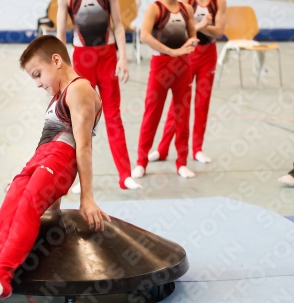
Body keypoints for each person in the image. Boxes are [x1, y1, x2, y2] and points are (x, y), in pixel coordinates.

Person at [0, 35, 111, 303]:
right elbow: (46, 141)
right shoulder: (58, 95)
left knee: (27, 206)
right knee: (10, 206)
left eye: (38, 74)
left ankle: (2, 276)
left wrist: (87, 197)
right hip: (42, 158)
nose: (38, 83)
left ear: (56, 61)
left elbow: (84, 146)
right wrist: (28, 172)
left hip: (61, 158)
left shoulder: (79, 89)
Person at [56, 0, 141, 192]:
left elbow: (118, 25)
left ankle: (125, 175)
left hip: (108, 57)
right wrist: (62, 67)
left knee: (113, 116)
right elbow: (61, 33)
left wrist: (123, 59)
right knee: (84, 121)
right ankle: (83, 180)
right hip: (82, 59)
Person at [148, 0, 226, 164]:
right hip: (188, 53)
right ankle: (162, 149)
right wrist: (202, 24)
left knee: (202, 102)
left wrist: (200, 26)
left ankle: (197, 149)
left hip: (208, 56)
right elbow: (178, 30)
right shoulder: (186, 3)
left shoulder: (219, 2)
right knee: (178, 105)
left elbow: (219, 32)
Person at [132, 0, 199, 179]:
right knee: (152, 114)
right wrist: (171, 51)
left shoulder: (187, 10)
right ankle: (141, 162)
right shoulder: (155, 8)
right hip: (161, 67)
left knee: (182, 115)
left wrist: (192, 41)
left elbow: (192, 34)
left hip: (183, 66)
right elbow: (144, 36)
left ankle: (182, 162)